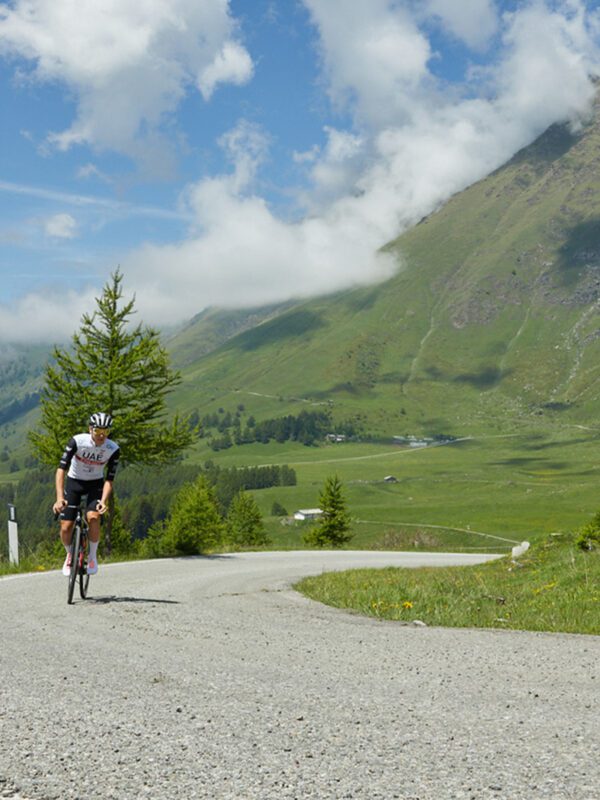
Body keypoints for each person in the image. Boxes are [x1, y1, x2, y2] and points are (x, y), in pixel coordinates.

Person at [52, 412, 120, 576]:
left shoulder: (113, 449)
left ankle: (92, 556)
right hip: (74, 482)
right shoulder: (77, 441)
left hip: (95, 485)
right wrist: (59, 498)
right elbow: (61, 470)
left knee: (93, 517)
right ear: (90, 429)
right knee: (66, 526)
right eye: (98, 431)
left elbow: (109, 480)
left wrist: (103, 501)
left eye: (106, 431)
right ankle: (70, 554)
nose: (101, 435)